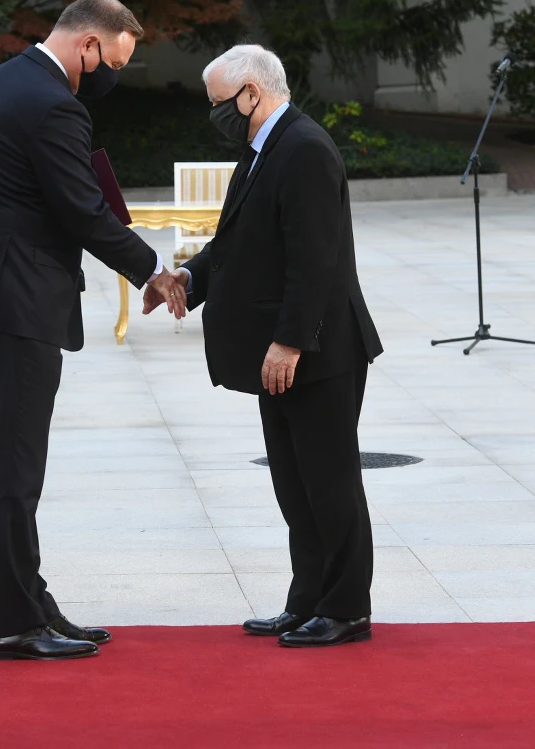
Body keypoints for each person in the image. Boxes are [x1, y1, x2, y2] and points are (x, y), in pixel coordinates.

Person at [0, 0, 185, 661]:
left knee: (10, 464)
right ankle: (15, 624)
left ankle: (33, 604)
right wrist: (154, 272)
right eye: (117, 62)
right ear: (88, 46)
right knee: (13, 470)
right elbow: (83, 210)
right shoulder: (52, 104)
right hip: (14, 301)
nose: (115, 78)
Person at [144, 44, 384, 647]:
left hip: (318, 352)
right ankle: (307, 600)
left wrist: (289, 343)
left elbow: (314, 261)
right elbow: (233, 246)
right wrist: (187, 281)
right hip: (284, 353)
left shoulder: (303, 148)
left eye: (221, 102)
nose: (217, 114)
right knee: (293, 484)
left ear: (253, 90)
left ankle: (347, 608)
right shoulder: (262, 149)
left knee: (329, 482)